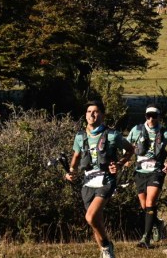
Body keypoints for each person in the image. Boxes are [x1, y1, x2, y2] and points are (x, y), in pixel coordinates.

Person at [65, 101, 133, 258]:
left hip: (106, 180)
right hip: (88, 182)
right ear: (85, 114)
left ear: (102, 115)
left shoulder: (112, 135)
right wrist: (70, 172)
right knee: (96, 221)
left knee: (90, 217)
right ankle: (105, 250)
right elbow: (76, 157)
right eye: (89, 111)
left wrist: (119, 164)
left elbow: (130, 150)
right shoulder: (80, 136)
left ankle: (106, 246)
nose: (91, 114)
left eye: (95, 112)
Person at [127, 105, 167, 249]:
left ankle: (146, 237)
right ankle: (157, 223)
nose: (151, 119)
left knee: (150, 201)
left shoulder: (165, 132)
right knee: (144, 205)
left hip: (157, 170)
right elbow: (127, 145)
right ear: (145, 116)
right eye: (148, 116)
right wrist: (126, 158)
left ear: (159, 117)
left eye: (154, 116)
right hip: (140, 170)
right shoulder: (136, 130)